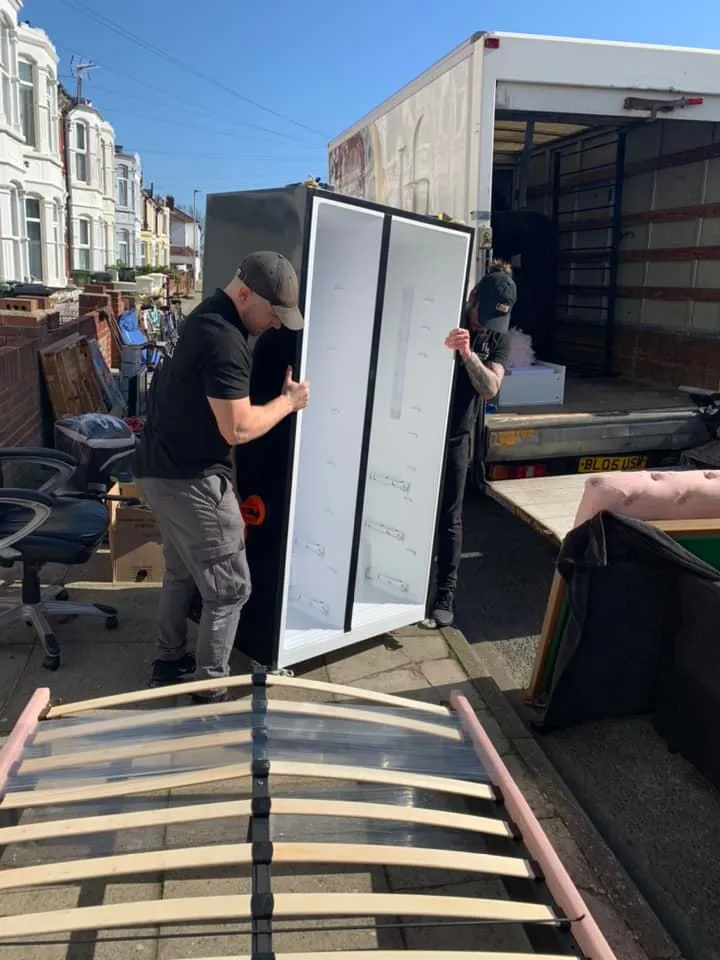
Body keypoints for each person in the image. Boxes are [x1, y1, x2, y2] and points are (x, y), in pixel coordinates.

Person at [134, 252, 311, 702]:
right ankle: (210, 692)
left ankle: (169, 660)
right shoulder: (225, 340)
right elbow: (239, 428)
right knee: (231, 588)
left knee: (180, 570)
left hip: (158, 468)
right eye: (274, 313)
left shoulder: (204, 314)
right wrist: (289, 403)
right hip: (191, 480)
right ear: (246, 293)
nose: (275, 325)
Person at [429, 259, 516, 627]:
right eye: (481, 315)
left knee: (450, 518)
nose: (485, 326)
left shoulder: (498, 336)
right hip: (420, 431)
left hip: (456, 436)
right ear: (472, 296)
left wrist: (466, 354)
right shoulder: (443, 312)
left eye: (495, 321)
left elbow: (490, 388)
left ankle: (443, 598)